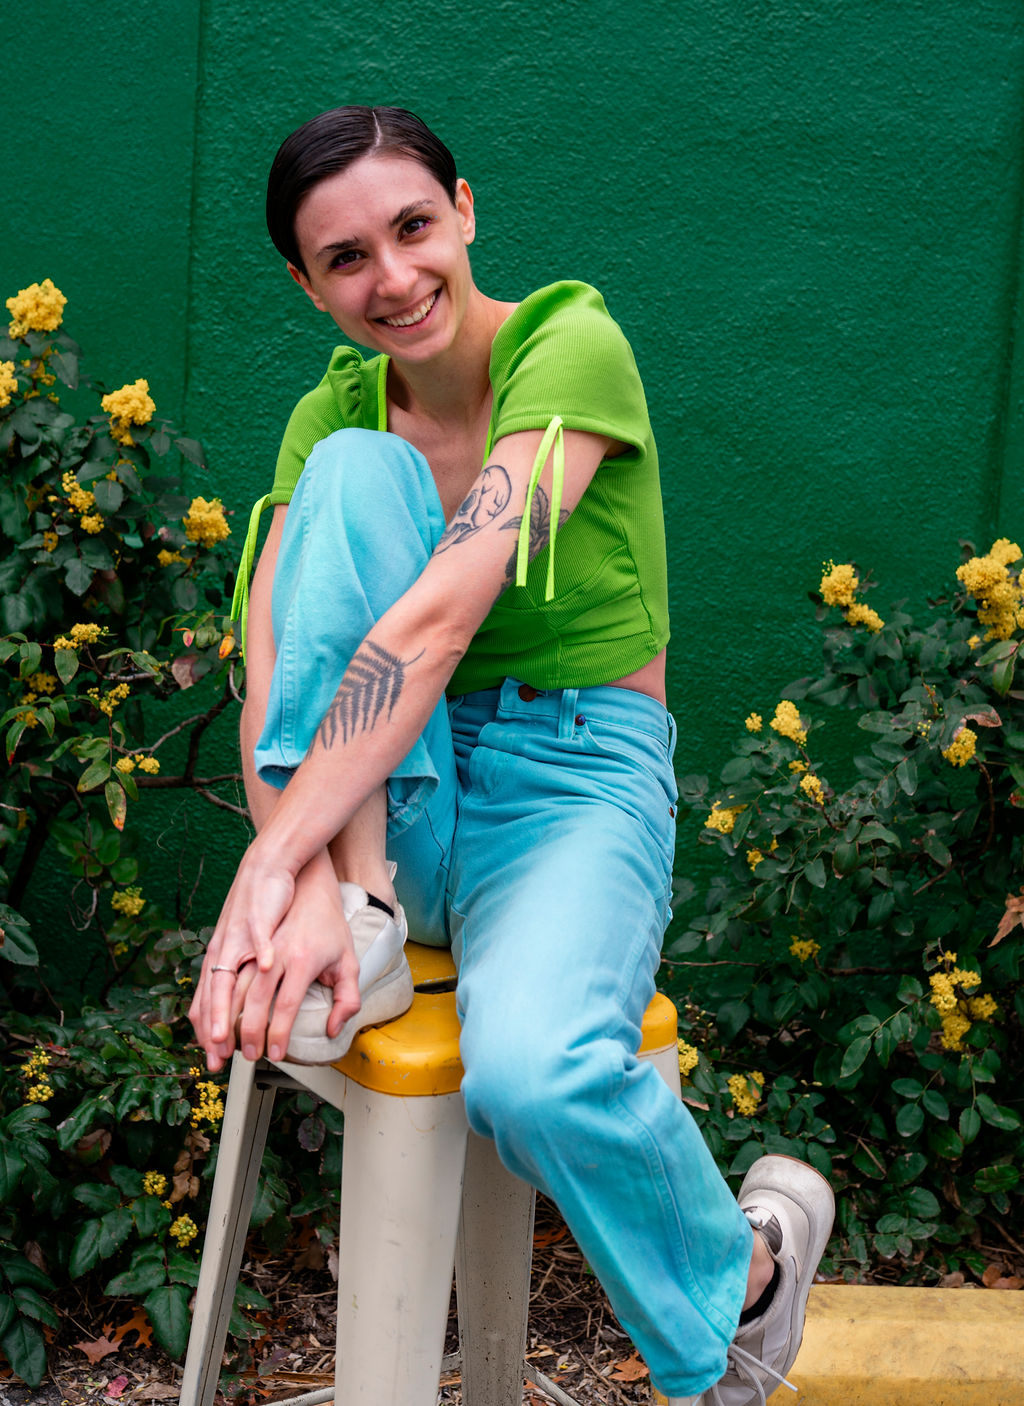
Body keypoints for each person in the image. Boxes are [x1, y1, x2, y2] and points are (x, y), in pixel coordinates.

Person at [188, 104, 834, 1405]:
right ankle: (360, 903)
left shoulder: (568, 345)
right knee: (354, 475)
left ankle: (750, 1271)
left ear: (465, 210)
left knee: (535, 1073)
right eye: (347, 256)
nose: (395, 276)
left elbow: (441, 616)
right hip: (393, 799)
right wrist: (303, 877)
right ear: (307, 284)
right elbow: (279, 675)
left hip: (574, 781)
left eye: (413, 227)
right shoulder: (335, 422)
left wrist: (267, 863)